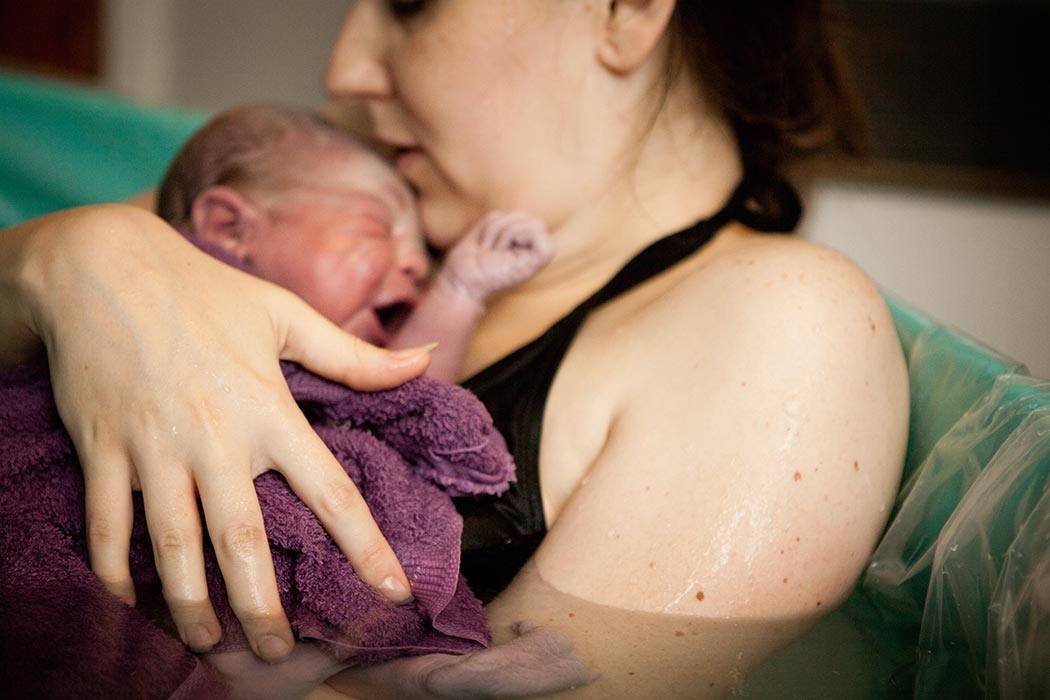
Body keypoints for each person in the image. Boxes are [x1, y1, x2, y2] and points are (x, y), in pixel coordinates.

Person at [0, 1, 910, 696]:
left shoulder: (777, 324)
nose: (346, 66)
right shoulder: (357, 174)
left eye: (409, 0)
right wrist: (74, 255)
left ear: (626, 10)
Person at [156, 104, 555, 382]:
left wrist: (459, 291)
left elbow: (411, 400)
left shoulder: (348, 378)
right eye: (379, 226)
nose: (418, 266)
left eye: (422, 251)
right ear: (231, 230)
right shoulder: (152, 328)